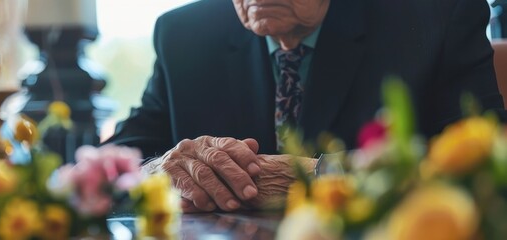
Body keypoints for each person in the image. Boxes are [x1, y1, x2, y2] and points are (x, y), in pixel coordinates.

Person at [106, 0, 506, 212]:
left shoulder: (436, 14)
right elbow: (111, 165)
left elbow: (490, 165)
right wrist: (163, 169)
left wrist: (318, 176)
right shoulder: (185, 34)